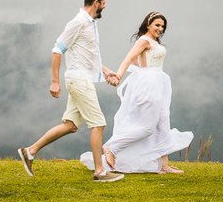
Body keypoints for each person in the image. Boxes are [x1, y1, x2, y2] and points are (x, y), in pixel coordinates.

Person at [18, 0, 125, 182]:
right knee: (98, 123)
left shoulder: (90, 23)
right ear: (96, 3)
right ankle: (100, 172)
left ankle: (30, 151)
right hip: (79, 80)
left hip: (83, 78)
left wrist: (105, 70)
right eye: (103, 4)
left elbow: (86, 55)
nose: (104, 7)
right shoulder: (78, 22)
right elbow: (57, 49)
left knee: (71, 125)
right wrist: (55, 82)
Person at [81, 11, 193, 175]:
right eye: (157, 25)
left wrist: (143, 68)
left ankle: (164, 167)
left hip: (159, 82)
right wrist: (118, 76)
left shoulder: (154, 42)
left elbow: (137, 60)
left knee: (163, 124)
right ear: (148, 25)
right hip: (150, 85)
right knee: (147, 128)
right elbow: (128, 58)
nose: (160, 29)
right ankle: (112, 148)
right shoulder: (143, 41)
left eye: (162, 26)